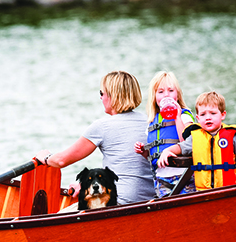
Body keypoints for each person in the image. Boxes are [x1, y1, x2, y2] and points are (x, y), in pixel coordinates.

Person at [35, 70, 155, 205]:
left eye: (101, 93)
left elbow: (61, 161)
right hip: (150, 201)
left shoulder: (102, 126)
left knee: (60, 216)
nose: (100, 98)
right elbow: (126, 165)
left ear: (112, 96)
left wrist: (45, 157)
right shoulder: (150, 122)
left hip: (120, 202)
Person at [158, 91, 236, 191]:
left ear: (222, 115)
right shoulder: (194, 137)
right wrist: (167, 151)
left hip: (229, 190)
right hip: (203, 193)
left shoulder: (233, 136)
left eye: (213, 113)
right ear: (198, 118)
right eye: (203, 114)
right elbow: (179, 148)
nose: (208, 117)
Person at [134, 71, 197, 197]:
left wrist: (177, 118)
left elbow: (188, 143)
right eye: (161, 92)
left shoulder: (184, 117)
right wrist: (143, 151)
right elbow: (152, 154)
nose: (166, 95)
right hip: (162, 179)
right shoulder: (152, 122)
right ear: (155, 97)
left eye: (171, 90)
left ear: (177, 95)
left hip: (184, 175)